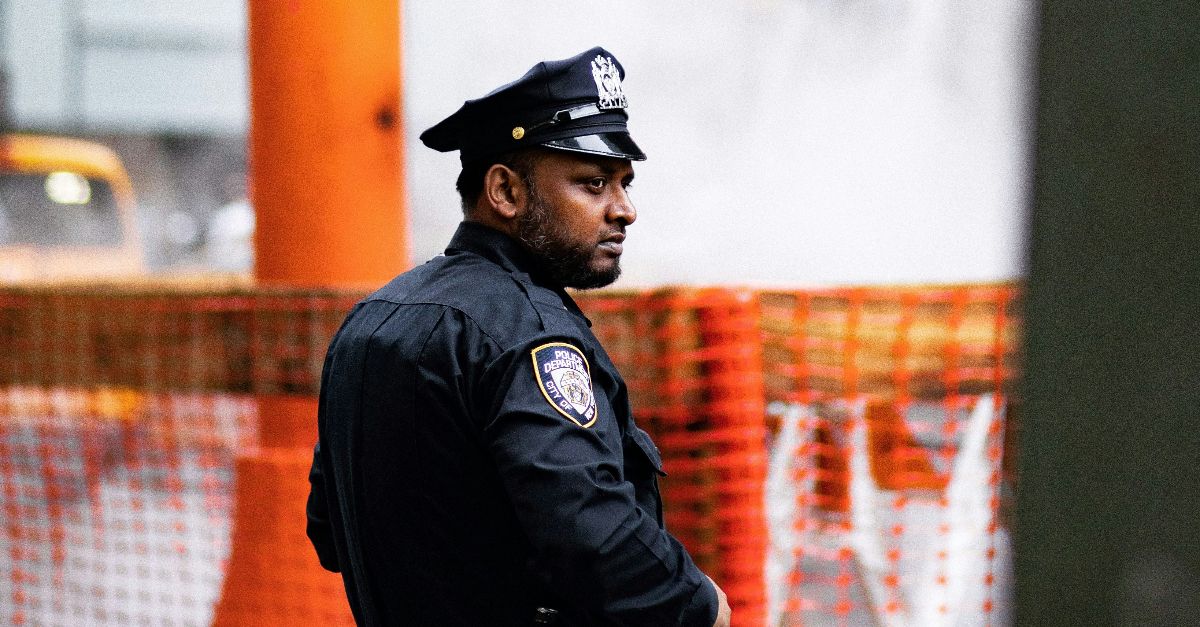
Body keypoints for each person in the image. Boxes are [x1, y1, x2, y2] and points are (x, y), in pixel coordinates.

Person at [305, 46, 731, 627]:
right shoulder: (529, 335)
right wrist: (699, 605)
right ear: (505, 191)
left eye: (624, 184)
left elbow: (330, 532)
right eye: (593, 183)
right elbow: (592, 537)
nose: (624, 210)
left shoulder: (371, 319)